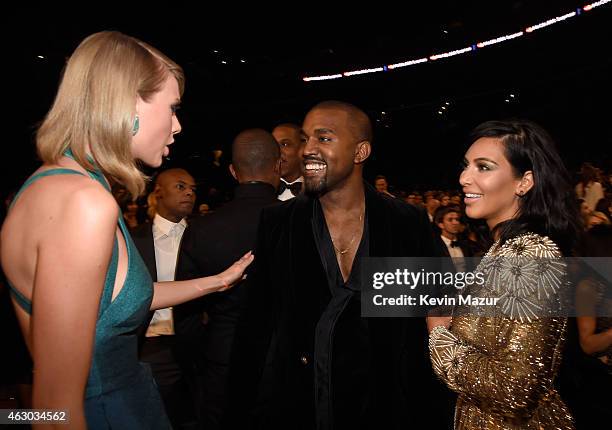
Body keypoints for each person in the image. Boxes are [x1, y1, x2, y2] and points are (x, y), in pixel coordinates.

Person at [0, 31, 253, 429]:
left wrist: (217, 282)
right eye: (171, 108)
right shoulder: (83, 202)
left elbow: (108, 301)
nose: (178, 125)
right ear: (127, 103)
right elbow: (53, 410)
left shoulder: (51, 185)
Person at [232, 101, 449, 430]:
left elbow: (434, 317)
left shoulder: (407, 222)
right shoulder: (278, 222)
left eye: (324, 138)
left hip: (386, 410)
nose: (308, 150)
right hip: (302, 407)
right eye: (305, 139)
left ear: (360, 151)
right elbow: (255, 330)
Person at [428, 119, 581, 429]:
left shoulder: (532, 255)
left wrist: (439, 339)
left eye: (483, 167)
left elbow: (515, 388)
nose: (464, 178)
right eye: (466, 166)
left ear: (524, 182)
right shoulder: (504, 250)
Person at [176, 128, 281, 429]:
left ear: (233, 171)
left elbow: (186, 316)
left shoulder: (201, 229)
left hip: (223, 362)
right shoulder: (303, 221)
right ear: (277, 166)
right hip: (286, 365)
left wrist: (197, 364)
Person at [131, 168, 198, 429]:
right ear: (157, 192)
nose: (190, 192)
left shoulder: (204, 234)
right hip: (149, 346)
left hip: (194, 344)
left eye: (193, 188)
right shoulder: (133, 240)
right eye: (180, 186)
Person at [272, 123, 304, 201]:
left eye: (285, 144)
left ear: (302, 149)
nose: (277, 150)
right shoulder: (262, 192)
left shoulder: (320, 192)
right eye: (273, 144)